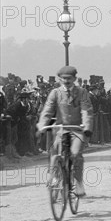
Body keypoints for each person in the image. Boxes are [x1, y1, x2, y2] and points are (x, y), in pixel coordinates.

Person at [37, 66, 94, 197]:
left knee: (75, 154)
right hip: (61, 130)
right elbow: (48, 110)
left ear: (74, 79)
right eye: (63, 79)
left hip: (77, 130)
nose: (66, 81)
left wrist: (87, 127)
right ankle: (55, 176)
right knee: (54, 151)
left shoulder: (82, 92)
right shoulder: (55, 93)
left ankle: (79, 182)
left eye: (69, 78)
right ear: (60, 79)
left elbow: (86, 110)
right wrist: (41, 126)